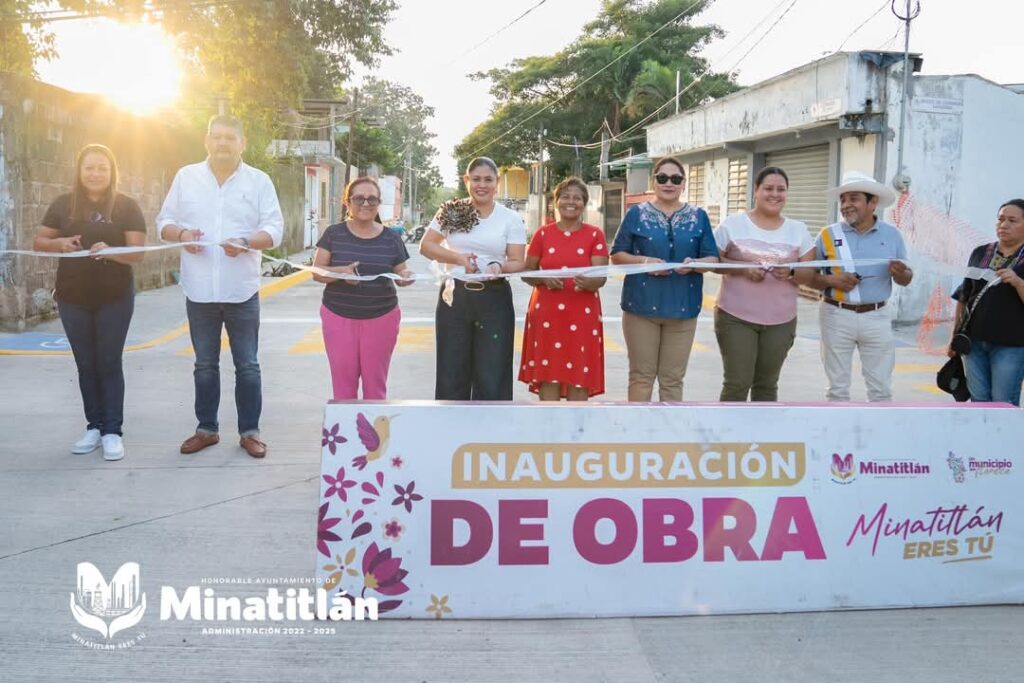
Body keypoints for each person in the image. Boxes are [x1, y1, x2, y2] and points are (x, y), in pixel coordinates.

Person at [156, 115, 284, 458]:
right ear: (206, 140)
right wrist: (182, 235)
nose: (223, 143)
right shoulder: (187, 177)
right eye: (217, 137)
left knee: (248, 365)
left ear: (242, 143)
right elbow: (163, 223)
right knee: (204, 365)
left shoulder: (259, 181)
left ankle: (250, 432)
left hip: (241, 289)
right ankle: (206, 429)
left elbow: (275, 228)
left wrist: (246, 240)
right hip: (199, 290)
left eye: (230, 138)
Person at [33, 144, 146, 461]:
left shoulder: (127, 207)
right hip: (73, 298)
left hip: (115, 298)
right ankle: (94, 426)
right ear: (79, 172)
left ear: (112, 173)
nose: (95, 174)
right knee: (86, 365)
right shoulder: (62, 205)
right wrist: (60, 243)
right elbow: (40, 242)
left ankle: (112, 431)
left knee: (109, 362)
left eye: (102, 168)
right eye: (89, 168)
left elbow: (137, 253)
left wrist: (111, 251)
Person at [610, 157, 719, 401]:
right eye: (662, 178)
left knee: (672, 380)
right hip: (641, 308)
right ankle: (638, 437)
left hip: (683, 309)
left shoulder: (698, 216)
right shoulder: (636, 214)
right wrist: (644, 263)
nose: (669, 183)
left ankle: (668, 438)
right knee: (641, 376)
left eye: (676, 179)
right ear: (654, 181)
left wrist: (695, 265)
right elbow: (617, 254)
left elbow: (712, 258)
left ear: (683, 184)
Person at [420, 157, 526, 400]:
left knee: (493, 371)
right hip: (454, 296)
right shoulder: (452, 211)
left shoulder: (509, 218)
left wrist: (499, 266)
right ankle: (453, 432)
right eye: (476, 179)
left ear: (497, 183)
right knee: (451, 370)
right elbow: (426, 246)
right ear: (466, 181)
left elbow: (518, 261)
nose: (482, 185)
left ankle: (490, 434)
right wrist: (457, 259)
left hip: (494, 299)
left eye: (488, 180)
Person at [713, 166, 816, 402]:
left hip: (781, 321)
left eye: (781, 189)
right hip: (735, 317)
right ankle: (728, 438)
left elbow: (808, 274)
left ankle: (762, 438)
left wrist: (791, 271)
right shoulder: (732, 224)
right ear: (755, 191)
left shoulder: (798, 230)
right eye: (768, 188)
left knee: (767, 386)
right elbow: (713, 260)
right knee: (737, 383)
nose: (775, 194)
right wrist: (742, 269)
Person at [808, 171, 912, 402]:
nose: (846, 205)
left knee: (881, 390)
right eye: (843, 200)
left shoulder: (892, 235)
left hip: (877, 317)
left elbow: (906, 278)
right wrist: (831, 281)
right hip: (836, 314)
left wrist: (901, 273)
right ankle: (838, 436)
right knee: (837, 389)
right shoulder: (827, 235)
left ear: (872, 202)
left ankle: (877, 435)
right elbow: (808, 277)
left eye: (853, 198)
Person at [312, 177, 414, 400]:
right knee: (343, 389)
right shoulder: (333, 233)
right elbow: (317, 271)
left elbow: (400, 273)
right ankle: (345, 435)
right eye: (359, 198)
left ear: (378, 203)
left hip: (382, 318)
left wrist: (406, 276)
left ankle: (374, 435)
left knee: (375, 388)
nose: (365, 204)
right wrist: (341, 273)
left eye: (372, 199)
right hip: (338, 317)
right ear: (347, 202)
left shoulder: (392, 238)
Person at [519, 177, 608, 400]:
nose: (571, 202)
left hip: (582, 315)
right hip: (547, 315)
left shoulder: (595, 234)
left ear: (584, 203)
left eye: (577, 198)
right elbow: (528, 273)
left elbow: (600, 277)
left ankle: (574, 432)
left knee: (580, 373)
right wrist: (543, 279)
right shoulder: (542, 234)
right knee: (549, 373)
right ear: (556, 202)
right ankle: (549, 431)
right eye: (565, 196)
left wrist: (588, 282)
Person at [948, 199, 1024, 404]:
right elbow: (964, 295)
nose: (1004, 225)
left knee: (1003, 401)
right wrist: (955, 334)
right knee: (979, 400)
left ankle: (1005, 437)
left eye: (1012, 220)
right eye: (1000, 219)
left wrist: (1017, 282)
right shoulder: (981, 252)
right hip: (974, 342)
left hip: (1012, 344)